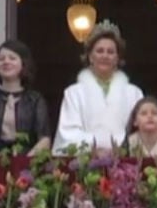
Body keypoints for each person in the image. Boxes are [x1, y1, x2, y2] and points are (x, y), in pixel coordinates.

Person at [52, 20, 143, 156]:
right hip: (85, 164)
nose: (105, 56)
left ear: (117, 58)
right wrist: (94, 148)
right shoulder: (74, 93)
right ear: (90, 56)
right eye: (100, 51)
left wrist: (121, 149)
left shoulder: (134, 93)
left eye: (111, 52)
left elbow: (142, 129)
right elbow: (68, 132)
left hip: (125, 161)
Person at [0, 40, 52, 156]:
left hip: (27, 164)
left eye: (12, 58)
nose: (6, 62)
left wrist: (25, 162)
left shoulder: (35, 100)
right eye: (1, 59)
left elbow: (44, 138)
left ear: (23, 63)